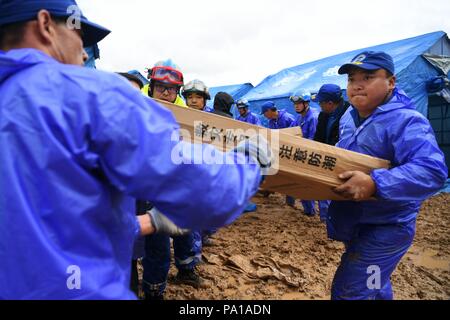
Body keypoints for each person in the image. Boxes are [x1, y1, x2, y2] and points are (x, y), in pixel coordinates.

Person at [0, 0, 271, 299]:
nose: (84, 51)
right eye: (80, 35)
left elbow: (45, 224)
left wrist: (147, 222)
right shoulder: (89, 95)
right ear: (45, 25)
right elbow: (207, 194)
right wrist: (250, 162)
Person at [327, 51, 447, 300]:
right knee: (375, 282)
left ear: (391, 82)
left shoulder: (407, 121)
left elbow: (432, 171)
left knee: (352, 291)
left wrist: (375, 183)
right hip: (357, 221)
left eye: (368, 77)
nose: (357, 85)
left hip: (387, 227)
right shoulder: (349, 119)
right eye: (351, 79)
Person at [141, 61, 206, 299]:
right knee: (157, 244)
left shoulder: (188, 117)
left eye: (171, 88)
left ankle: (186, 269)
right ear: (152, 87)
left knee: (185, 232)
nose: (166, 92)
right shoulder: (140, 112)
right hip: (152, 189)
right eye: (161, 87)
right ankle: (154, 289)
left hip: (181, 186)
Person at [313, 84, 350, 221]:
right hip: (324, 158)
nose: (319, 106)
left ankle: (336, 218)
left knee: (339, 192)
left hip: (341, 160)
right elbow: (318, 136)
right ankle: (325, 218)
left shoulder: (349, 114)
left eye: (321, 103)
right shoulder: (323, 115)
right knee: (322, 189)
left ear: (330, 103)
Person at [261, 100, 297, 207]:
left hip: (290, 151)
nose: (264, 116)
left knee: (289, 176)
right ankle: (268, 189)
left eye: (264, 113)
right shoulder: (271, 121)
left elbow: (296, 134)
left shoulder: (288, 118)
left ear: (268, 111)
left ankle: (290, 202)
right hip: (278, 151)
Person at [289, 92, 318, 216]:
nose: (296, 106)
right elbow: (290, 132)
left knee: (307, 185)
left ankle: (313, 213)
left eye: (298, 103)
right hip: (301, 153)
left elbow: (314, 140)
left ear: (306, 103)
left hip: (311, 154)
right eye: (295, 104)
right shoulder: (299, 117)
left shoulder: (313, 117)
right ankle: (307, 211)